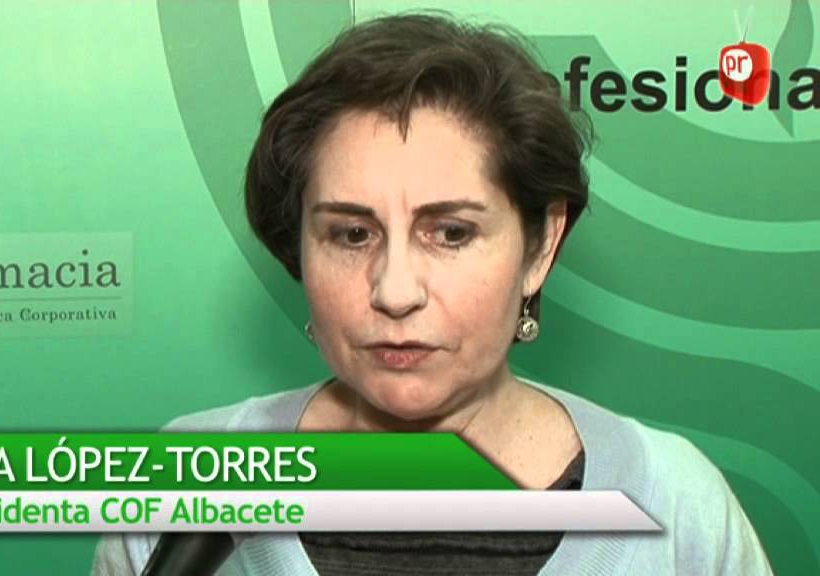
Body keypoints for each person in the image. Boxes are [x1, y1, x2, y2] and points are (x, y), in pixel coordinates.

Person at [93, 13, 772, 575]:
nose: (394, 292)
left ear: (539, 246)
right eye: (352, 234)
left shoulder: (676, 506)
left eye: (450, 233)